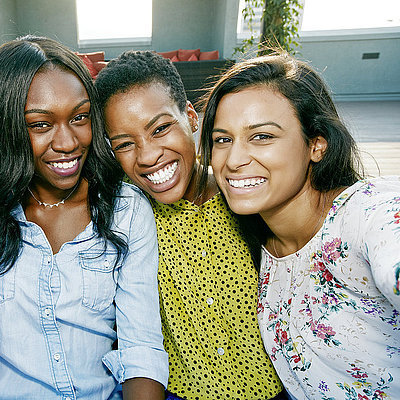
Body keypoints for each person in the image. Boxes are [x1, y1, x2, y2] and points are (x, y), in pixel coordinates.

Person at [0, 36, 168, 400]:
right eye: (41, 124)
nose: (68, 142)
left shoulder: (126, 209)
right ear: (8, 127)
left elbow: (142, 347)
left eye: (79, 118)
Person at [199, 52, 400, 399]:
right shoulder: (261, 244)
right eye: (222, 139)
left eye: (261, 136)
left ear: (316, 144)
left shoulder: (363, 214)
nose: (233, 160)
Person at [95, 50, 284, 400]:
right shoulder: (128, 220)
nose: (148, 155)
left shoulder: (247, 196)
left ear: (192, 118)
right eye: (124, 144)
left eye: (161, 128)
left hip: (275, 390)